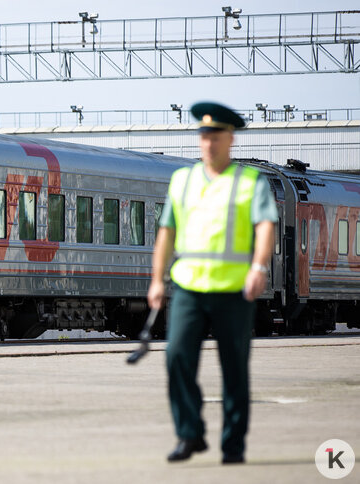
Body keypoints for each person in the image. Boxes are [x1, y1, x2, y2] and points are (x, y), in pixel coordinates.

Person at [147, 102, 277, 465]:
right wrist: (156, 280)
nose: (208, 142)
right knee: (176, 357)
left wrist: (258, 267)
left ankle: (232, 446)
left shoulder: (250, 182)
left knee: (234, 368)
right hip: (188, 288)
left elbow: (265, 226)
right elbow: (166, 231)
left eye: (216, 136)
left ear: (230, 139)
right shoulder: (182, 180)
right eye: (204, 135)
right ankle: (189, 433)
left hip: (233, 290)